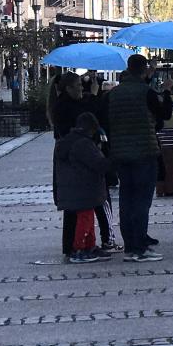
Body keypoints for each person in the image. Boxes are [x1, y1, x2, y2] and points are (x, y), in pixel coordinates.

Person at [99, 54, 173, 262]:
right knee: (142, 201)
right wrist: (167, 91)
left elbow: (104, 121)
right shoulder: (146, 92)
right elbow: (164, 115)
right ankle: (140, 246)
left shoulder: (113, 95)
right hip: (144, 153)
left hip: (121, 154)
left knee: (126, 199)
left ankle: (130, 246)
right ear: (143, 70)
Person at [54, 112, 114, 264]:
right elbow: (99, 164)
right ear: (92, 128)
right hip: (85, 189)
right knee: (86, 219)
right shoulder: (84, 143)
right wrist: (111, 156)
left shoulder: (66, 141)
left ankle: (89, 246)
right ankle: (79, 249)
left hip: (73, 189)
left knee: (87, 218)